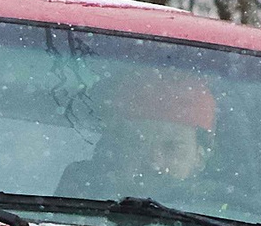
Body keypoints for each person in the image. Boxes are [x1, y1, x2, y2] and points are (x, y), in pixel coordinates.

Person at [58, 71, 224, 206]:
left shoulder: (224, 214)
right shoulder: (76, 202)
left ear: (200, 156)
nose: (154, 163)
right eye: (138, 144)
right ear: (116, 149)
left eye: (172, 147)